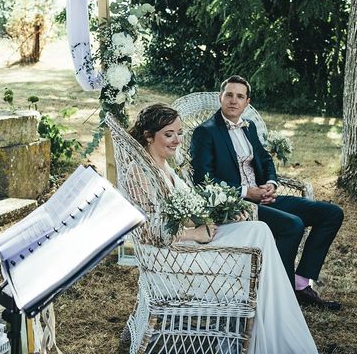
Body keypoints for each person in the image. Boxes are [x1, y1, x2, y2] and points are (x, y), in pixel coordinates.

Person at [129, 104, 318, 354]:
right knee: (258, 240)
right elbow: (146, 231)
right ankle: (270, 333)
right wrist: (194, 233)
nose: (177, 140)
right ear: (148, 135)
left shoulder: (164, 166)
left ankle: (273, 328)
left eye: (179, 133)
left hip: (191, 241)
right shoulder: (140, 173)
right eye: (169, 134)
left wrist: (223, 212)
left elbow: (189, 208)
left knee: (259, 230)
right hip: (173, 258)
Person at [190, 75, 343, 310]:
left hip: (263, 197)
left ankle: (300, 284)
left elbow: (264, 158)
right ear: (221, 98)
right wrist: (245, 192)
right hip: (236, 206)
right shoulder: (206, 132)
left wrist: (270, 183)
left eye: (239, 96)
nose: (233, 100)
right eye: (229, 95)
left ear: (247, 102)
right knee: (293, 225)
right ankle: (278, 295)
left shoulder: (248, 127)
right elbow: (202, 179)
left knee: (331, 213)